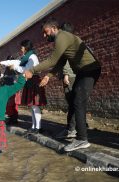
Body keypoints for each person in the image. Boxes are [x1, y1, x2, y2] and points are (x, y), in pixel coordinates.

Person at [24, 19, 101, 151]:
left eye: (46, 32)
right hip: (82, 72)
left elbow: (52, 60)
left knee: (78, 102)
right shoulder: (63, 39)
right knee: (73, 101)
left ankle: (82, 139)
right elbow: (60, 62)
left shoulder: (62, 37)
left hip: (89, 70)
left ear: (54, 28)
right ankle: (71, 130)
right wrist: (48, 76)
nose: (44, 36)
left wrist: (32, 70)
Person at [0, 40, 47, 133]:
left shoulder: (32, 57)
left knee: (35, 106)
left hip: (34, 81)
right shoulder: (25, 57)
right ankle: (33, 126)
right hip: (29, 81)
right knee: (32, 106)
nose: (21, 49)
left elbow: (25, 69)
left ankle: (38, 127)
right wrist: (2, 62)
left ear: (26, 47)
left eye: (22, 47)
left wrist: (14, 67)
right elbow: (16, 61)